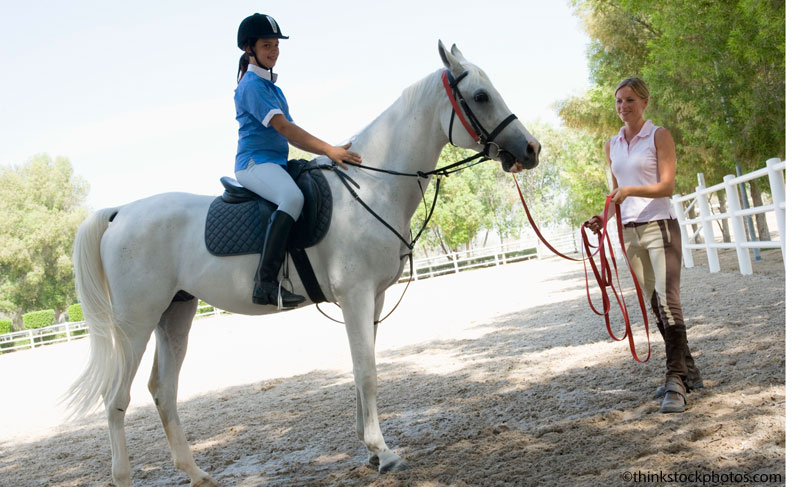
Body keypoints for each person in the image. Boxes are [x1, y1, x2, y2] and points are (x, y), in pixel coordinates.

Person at [586, 77, 703, 413]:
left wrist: (629, 192)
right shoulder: (612, 145)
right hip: (629, 232)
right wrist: (602, 216)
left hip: (660, 227)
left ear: (645, 102)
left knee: (669, 302)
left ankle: (675, 381)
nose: (623, 107)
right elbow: (615, 191)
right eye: (619, 101)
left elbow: (666, 186)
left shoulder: (658, 136)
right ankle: (689, 371)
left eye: (630, 100)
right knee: (654, 304)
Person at [234, 13, 362, 307]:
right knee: (291, 197)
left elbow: (290, 136)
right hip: (253, 164)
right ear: (248, 49)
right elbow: (285, 128)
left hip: (276, 163)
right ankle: (265, 283)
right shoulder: (251, 86)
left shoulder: (273, 89)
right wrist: (329, 149)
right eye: (267, 45)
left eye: (276, 46)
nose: (274, 52)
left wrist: (324, 155)